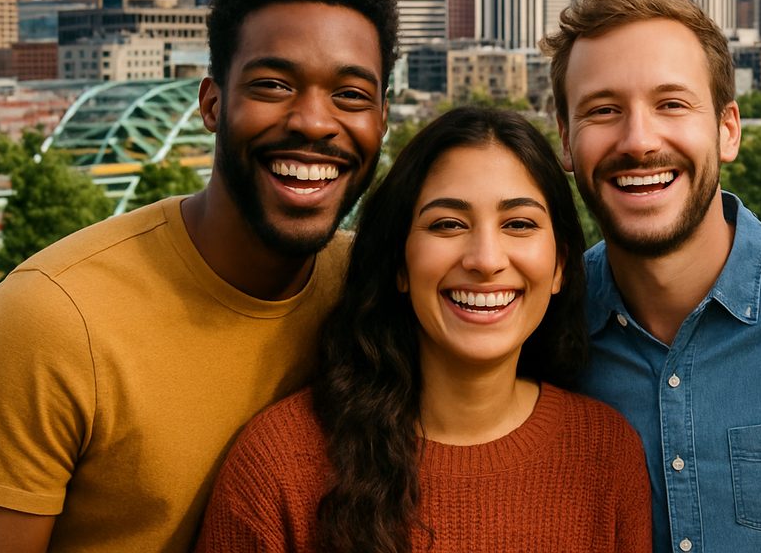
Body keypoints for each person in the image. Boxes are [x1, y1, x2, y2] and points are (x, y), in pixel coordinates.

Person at [0, 0, 398, 553]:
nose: (315, 122)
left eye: (350, 95)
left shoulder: (375, 290)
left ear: (383, 121)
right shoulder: (53, 318)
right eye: (272, 84)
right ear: (212, 103)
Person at [194, 106, 651, 552]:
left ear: (559, 267)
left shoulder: (606, 454)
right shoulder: (278, 467)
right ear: (400, 265)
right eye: (448, 224)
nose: (486, 260)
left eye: (518, 223)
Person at [541, 0, 761, 553]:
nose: (638, 141)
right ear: (565, 140)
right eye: (604, 110)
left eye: (671, 104)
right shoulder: (537, 329)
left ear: (727, 129)